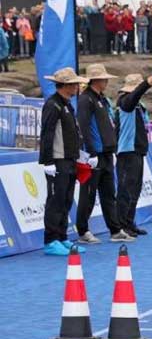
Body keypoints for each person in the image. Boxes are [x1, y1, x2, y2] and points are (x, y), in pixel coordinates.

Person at [76, 64, 135, 244]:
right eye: (104, 79)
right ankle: (83, 231)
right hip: (95, 154)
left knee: (109, 194)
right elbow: (84, 126)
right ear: (96, 80)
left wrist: (112, 150)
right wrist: (91, 152)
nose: (107, 81)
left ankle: (115, 230)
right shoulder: (86, 99)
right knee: (88, 194)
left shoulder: (101, 99)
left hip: (107, 153)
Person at [39, 68, 89, 256]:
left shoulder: (67, 104)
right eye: (74, 84)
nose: (77, 86)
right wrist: (48, 161)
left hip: (69, 159)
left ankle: (61, 236)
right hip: (57, 160)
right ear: (65, 85)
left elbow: (72, 132)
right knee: (55, 200)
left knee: (66, 200)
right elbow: (47, 133)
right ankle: (51, 240)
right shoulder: (53, 105)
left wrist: (80, 154)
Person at [115, 72, 152, 237]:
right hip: (128, 150)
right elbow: (136, 95)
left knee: (135, 189)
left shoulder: (138, 104)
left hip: (137, 150)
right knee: (126, 190)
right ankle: (122, 225)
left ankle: (129, 222)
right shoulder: (125, 101)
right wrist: (148, 82)